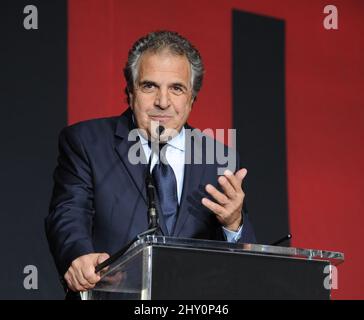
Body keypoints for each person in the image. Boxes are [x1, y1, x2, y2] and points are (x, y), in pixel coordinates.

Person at [45, 30, 256, 296]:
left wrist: (233, 225)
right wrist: (78, 256)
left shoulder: (218, 158)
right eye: (149, 86)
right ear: (130, 92)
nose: (162, 102)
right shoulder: (87, 142)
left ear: (192, 99)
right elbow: (68, 212)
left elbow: (245, 265)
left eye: (176, 89)